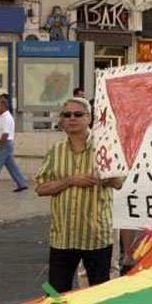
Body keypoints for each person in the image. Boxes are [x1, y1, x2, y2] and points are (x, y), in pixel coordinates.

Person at [35, 97, 124, 293]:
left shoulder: (104, 147)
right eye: (67, 115)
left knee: (98, 294)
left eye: (77, 114)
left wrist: (105, 174)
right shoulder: (55, 151)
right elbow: (40, 188)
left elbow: (119, 183)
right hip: (62, 236)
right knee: (57, 294)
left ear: (89, 118)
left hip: (95, 236)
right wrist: (69, 180)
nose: (71, 118)